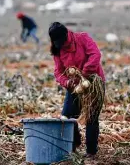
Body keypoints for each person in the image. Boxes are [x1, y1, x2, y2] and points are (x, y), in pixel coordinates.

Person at [49, 22, 105, 158]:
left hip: (92, 83)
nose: (60, 45)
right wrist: (67, 82)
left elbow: (95, 55)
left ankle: (91, 151)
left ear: (66, 35)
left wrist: (84, 74)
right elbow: (58, 72)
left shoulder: (82, 38)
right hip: (74, 87)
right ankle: (73, 145)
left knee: (91, 117)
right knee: (67, 117)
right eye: (56, 42)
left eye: (61, 41)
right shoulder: (58, 49)